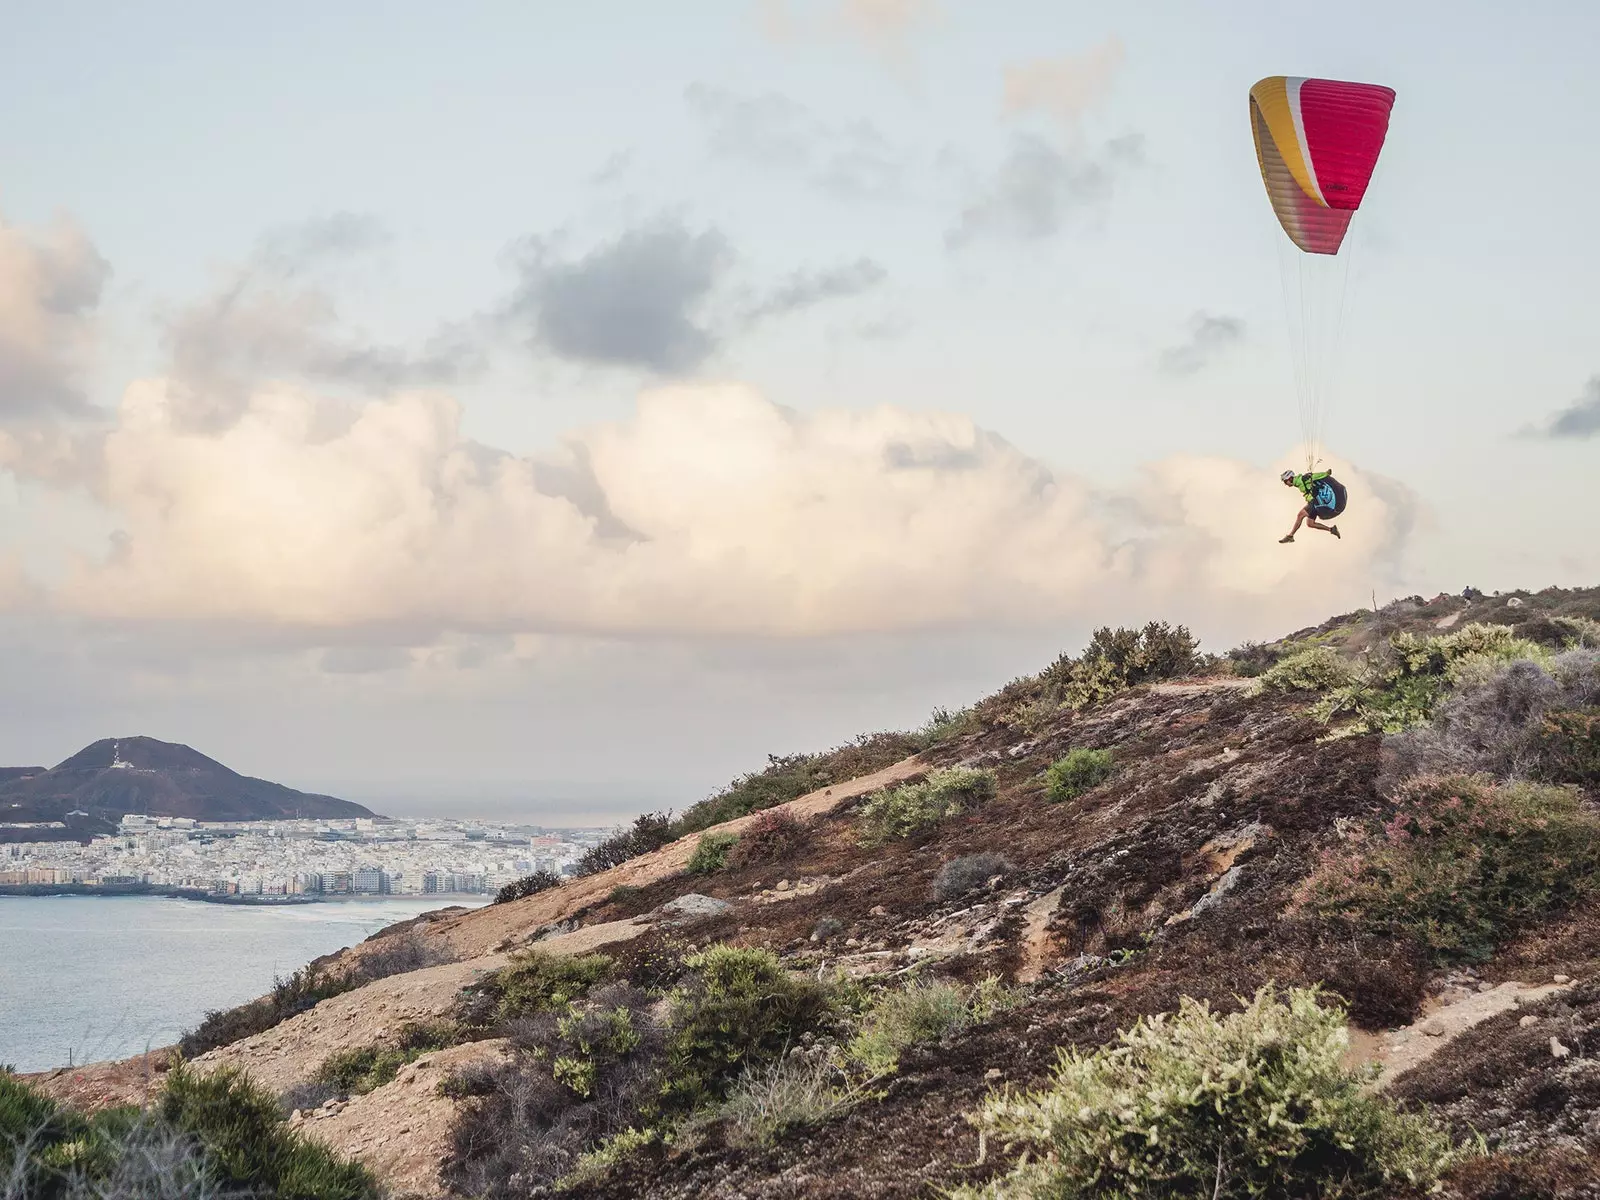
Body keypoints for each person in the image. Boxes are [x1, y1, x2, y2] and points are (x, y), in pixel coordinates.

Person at [1279, 468, 1346, 543]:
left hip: (1313, 501)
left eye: (1285, 481)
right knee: (1310, 523)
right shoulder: (1297, 483)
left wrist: (1326, 473)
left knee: (1300, 515)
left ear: (1290, 478)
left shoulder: (1302, 479)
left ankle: (1290, 536)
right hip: (1313, 502)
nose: (1285, 484)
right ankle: (1332, 529)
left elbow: (1314, 476)